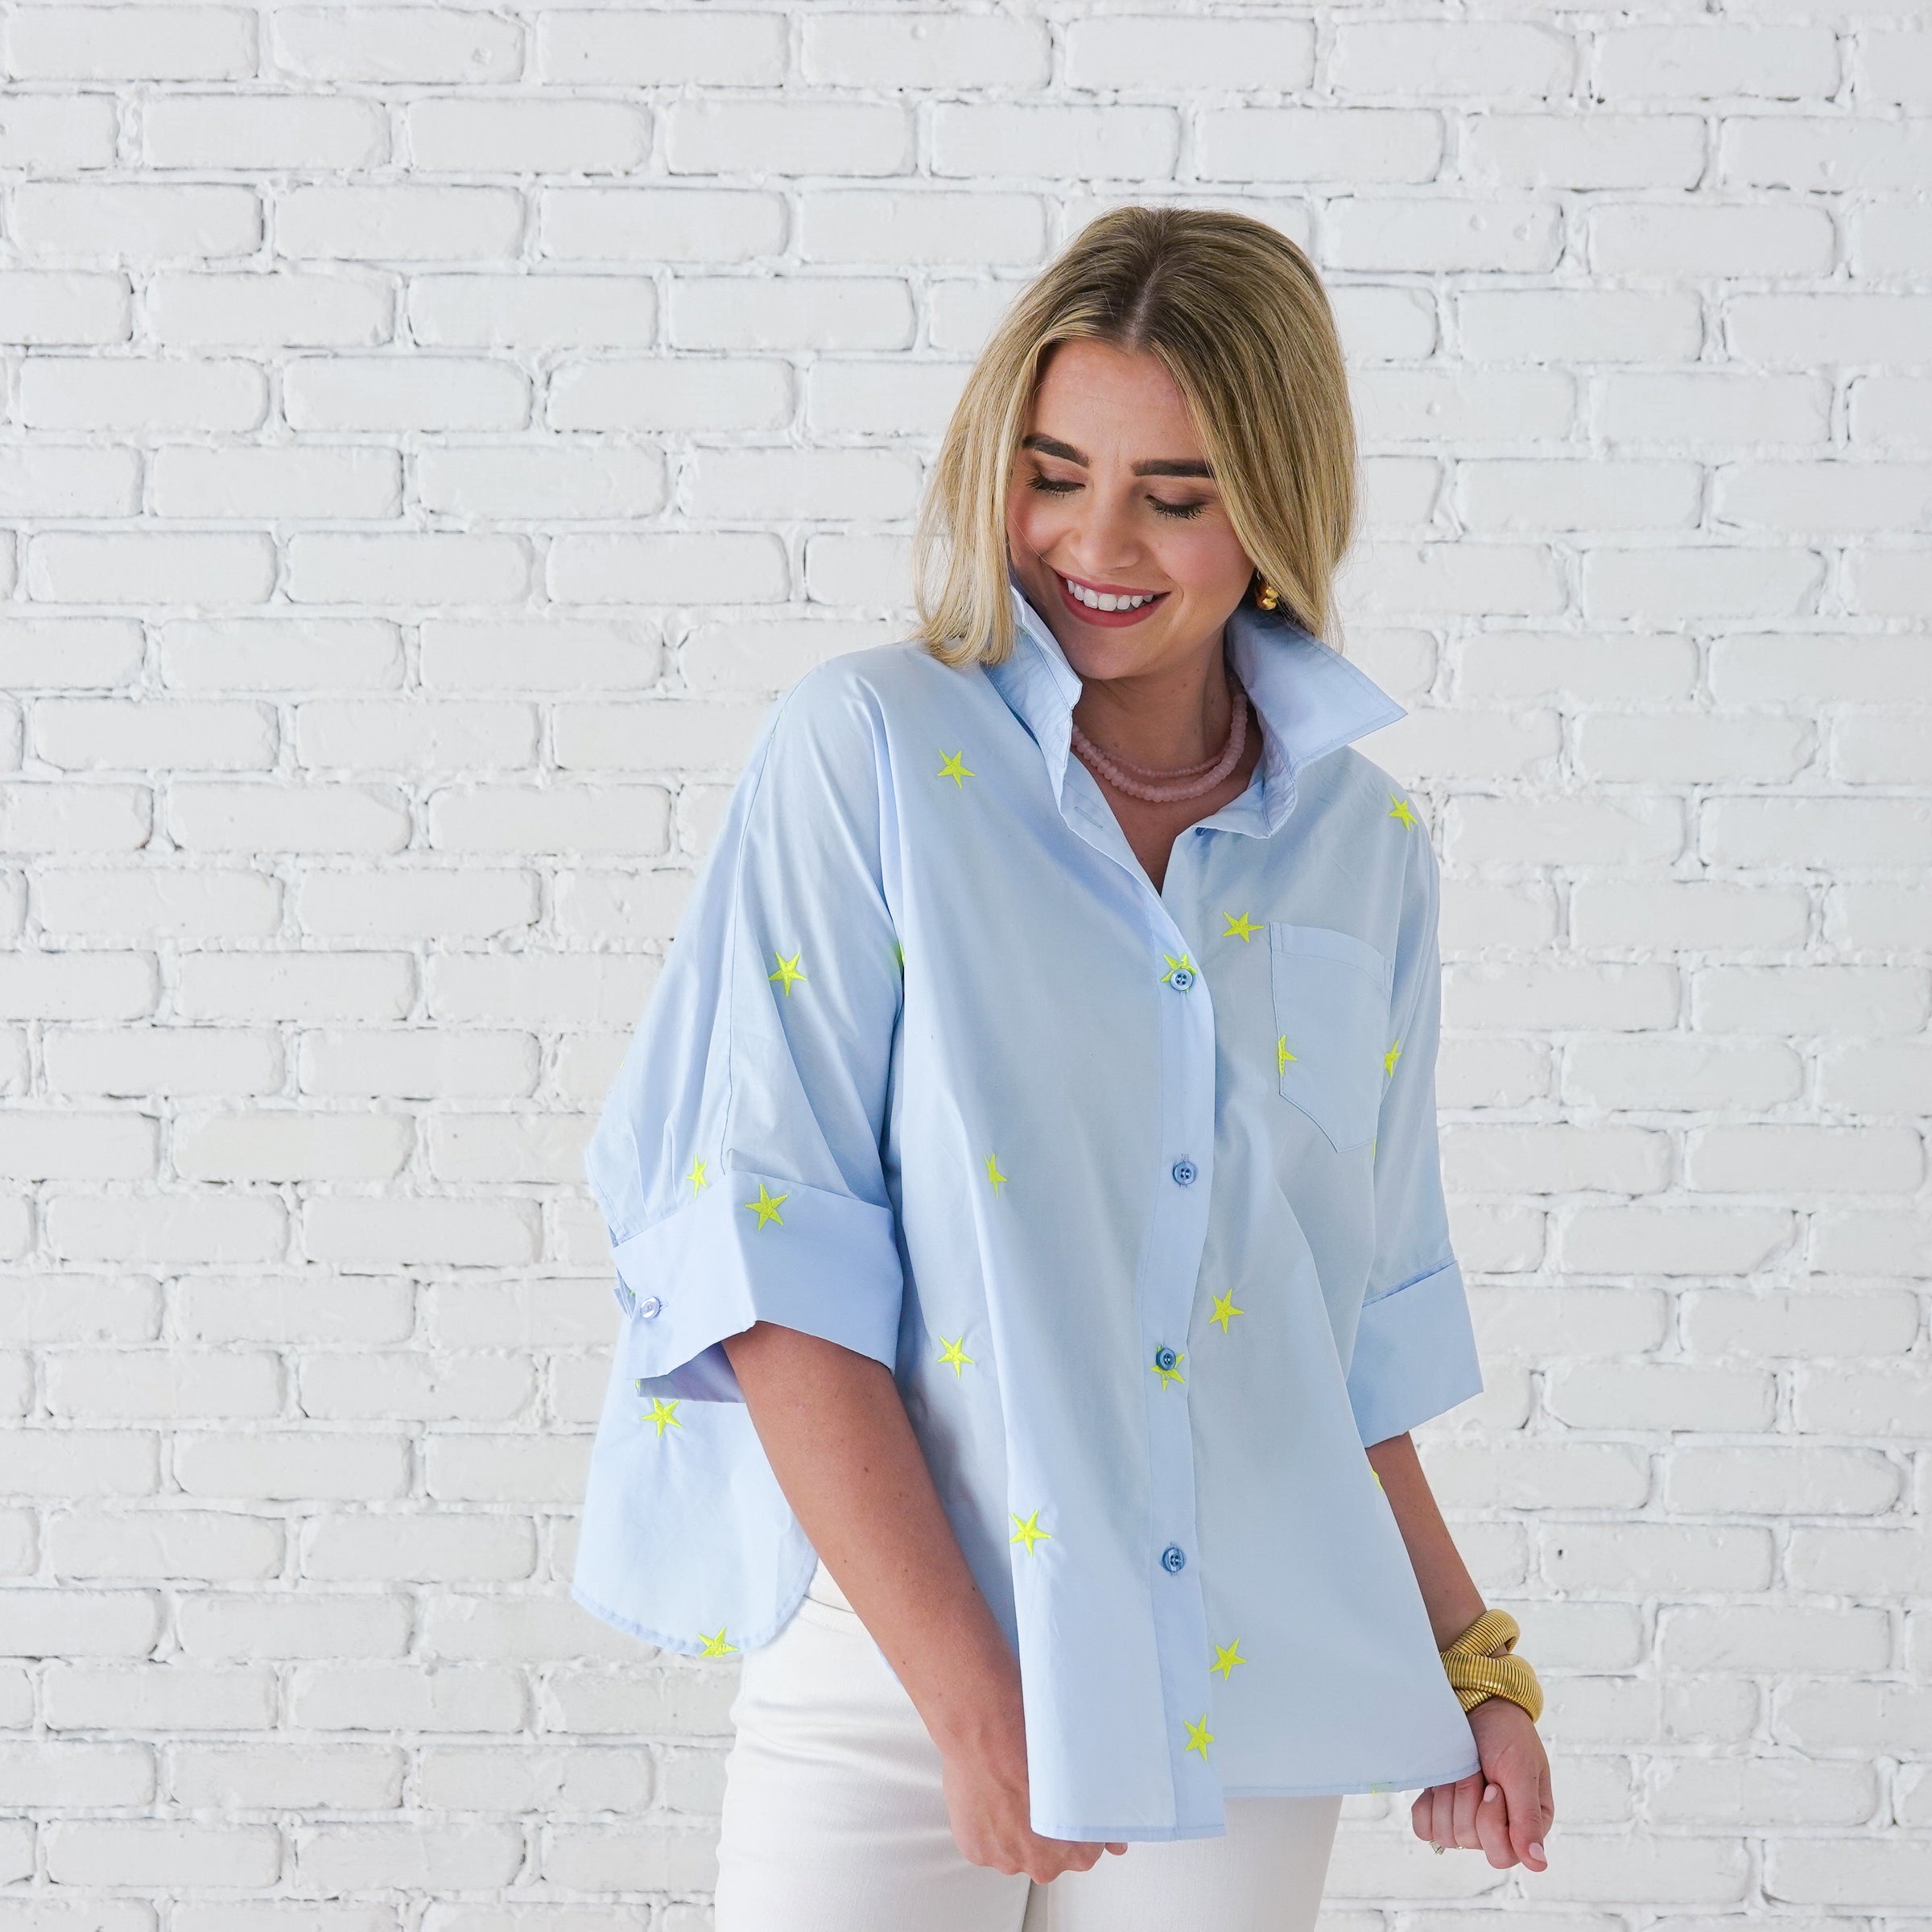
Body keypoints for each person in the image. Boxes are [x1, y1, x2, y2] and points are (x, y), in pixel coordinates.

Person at [572, 205, 1555, 1932]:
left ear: (1277, 508)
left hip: (1250, 1668)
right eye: (1053, 475)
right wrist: (972, 1702)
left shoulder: (1365, 848)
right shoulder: (868, 753)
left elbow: (1339, 1333)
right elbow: (769, 1254)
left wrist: (1470, 1659)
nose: (1095, 544)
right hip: (897, 1662)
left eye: (1175, 495)